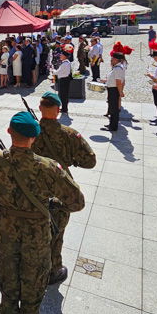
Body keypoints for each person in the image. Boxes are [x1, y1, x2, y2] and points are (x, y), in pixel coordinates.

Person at [0, 112, 86, 314]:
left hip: (5, 230)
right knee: (33, 285)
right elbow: (77, 202)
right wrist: (53, 204)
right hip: (37, 236)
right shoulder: (47, 167)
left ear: (8, 133)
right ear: (34, 137)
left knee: (8, 282)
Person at [32, 93, 96, 284]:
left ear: (40, 108)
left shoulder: (30, 131)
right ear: (58, 110)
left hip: (34, 187)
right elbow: (90, 161)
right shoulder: (69, 134)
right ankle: (53, 269)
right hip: (59, 189)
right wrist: (71, 160)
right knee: (56, 232)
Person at [103, 45, 130, 132]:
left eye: (112, 59)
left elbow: (119, 82)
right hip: (112, 89)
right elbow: (113, 79)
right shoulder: (116, 67)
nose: (111, 60)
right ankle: (111, 124)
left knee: (114, 109)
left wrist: (120, 92)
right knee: (112, 108)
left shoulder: (118, 68)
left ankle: (113, 127)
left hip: (114, 90)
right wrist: (104, 81)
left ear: (117, 60)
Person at [53, 48, 73, 114]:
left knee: (63, 95)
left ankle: (64, 109)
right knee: (64, 95)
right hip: (65, 79)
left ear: (64, 56)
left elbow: (58, 72)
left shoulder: (64, 64)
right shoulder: (67, 62)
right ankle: (64, 108)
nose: (60, 56)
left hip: (63, 80)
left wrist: (53, 71)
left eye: (61, 55)